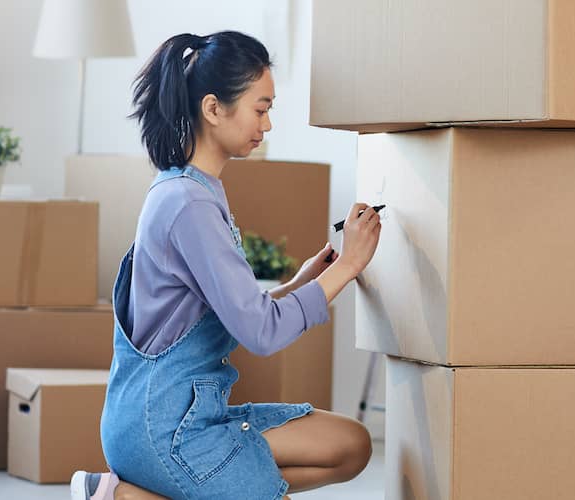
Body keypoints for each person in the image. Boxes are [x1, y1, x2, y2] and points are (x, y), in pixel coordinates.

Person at [69, 31, 381, 500]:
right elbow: (261, 334)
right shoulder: (186, 204)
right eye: (260, 108)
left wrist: (300, 282)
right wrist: (349, 264)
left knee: (350, 446)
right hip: (166, 429)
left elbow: (234, 317)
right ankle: (123, 496)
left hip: (193, 415)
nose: (268, 123)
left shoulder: (195, 190)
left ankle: (137, 496)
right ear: (214, 109)